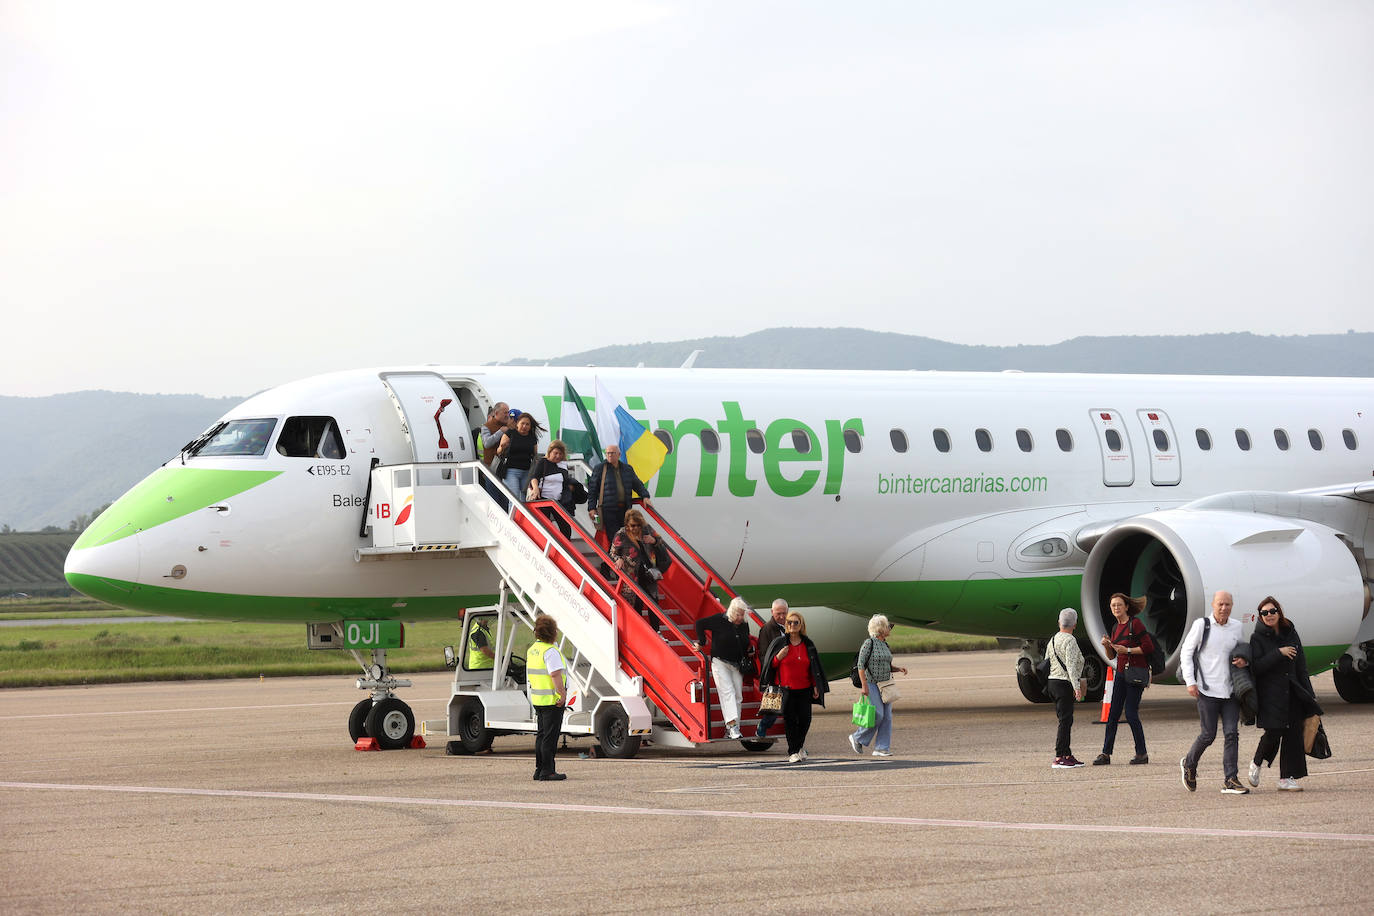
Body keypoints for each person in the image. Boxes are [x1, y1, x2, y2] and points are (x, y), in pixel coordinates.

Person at [1178, 590, 1250, 794]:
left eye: (1227, 604)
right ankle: (1190, 764)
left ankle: (1231, 778)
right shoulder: (1202, 625)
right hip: (1206, 690)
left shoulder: (1237, 627)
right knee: (1208, 735)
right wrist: (1190, 682)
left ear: (1232, 606)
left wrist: (1244, 661)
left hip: (1230, 692)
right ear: (1213, 605)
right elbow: (1187, 651)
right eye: (1220, 604)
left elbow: (1241, 650)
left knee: (1231, 734)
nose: (1224, 608)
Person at [1248, 597, 1321, 791]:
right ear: (1260, 617)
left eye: (1272, 611)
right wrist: (1278, 653)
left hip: (1293, 691)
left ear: (1279, 612)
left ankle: (1286, 778)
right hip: (1270, 694)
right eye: (1265, 613)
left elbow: (1301, 666)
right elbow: (1256, 667)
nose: (1269, 615)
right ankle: (1256, 763)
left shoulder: (1291, 632)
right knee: (1273, 732)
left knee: (1293, 734)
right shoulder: (1257, 638)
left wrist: (1309, 693)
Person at [759, 609, 828, 762]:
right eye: (789, 622)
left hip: (804, 689)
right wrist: (778, 657)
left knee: (805, 720)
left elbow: (813, 666)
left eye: (795, 622)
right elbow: (770, 665)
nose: (791, 625)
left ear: (801, 624)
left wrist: (816, 685)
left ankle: (799, 747)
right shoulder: (779, 642)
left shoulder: (808, 643)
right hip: (786, 690)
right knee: (790, 721)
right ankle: (793, 752)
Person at [1093, 593, 1152, 766]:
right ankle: (1106, 753)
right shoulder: (1115, 628)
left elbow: (1148, 647)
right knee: (1113, 714)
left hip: (1134, 673)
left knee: (1132, 713)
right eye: (1113, 606)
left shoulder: (1136, 624)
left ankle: (1142, 753)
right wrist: (1106, 646)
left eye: (1119, 605)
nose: (1116, 608)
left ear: (1126, 607)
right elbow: (1112, 656)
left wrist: (1127, 650)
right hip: (1120, 673)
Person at [692, 596, 753, 740]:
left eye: (742, 614)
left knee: (738, 695)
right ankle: (732, 727)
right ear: (731, 612)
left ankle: (731, 727)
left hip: (737, 663)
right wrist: (702, 641)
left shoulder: (744, 624)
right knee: (728, 692)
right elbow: (700, 623)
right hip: (720, 661)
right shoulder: (720, 619)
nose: (740, 617)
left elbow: (745, 640)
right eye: (738, 614)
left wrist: (749, 650)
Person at [849, 614, 908, 757]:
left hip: (886, 684)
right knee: (878, 714)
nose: (890, 628)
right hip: (872, 683)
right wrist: (864, 685)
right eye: (888, 626)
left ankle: (882, 748)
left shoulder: (885, 644)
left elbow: (886, 664)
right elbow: (860, 665)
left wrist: (897, 668)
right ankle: (857, 737)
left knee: (887, 717)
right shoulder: (869, 643)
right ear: (880, 629)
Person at [526, 614, 569, 781]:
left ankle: (539, 769)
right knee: (550, 738)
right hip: (552, 700)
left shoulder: (533, 650)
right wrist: (562, 694)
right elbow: (555, 675)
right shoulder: (550, 651)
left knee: (542, 735)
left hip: (538, 699)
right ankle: (548, 771)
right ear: (553, 633)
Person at [1046, 608, 1087, 768]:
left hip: (1053, 682)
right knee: (1065, 721)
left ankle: (1067, 753)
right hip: (1064, 683)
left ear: (1059, 622)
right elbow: (1071, 665)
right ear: (1075, 624)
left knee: (1066, 719)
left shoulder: (1053, 639)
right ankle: (1059, 756)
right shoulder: (1070, 640)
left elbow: (1047, 660)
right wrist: (1077, 687)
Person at [609, 508, 671, 611]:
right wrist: (618, 559)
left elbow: (660, 540)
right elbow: (612, 552)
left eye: (639, 525)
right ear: (627, 524)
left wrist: (653, 540)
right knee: (637, 605)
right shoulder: (622, 534)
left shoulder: (646, 529)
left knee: (654, 605)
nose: (636, 528)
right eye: (633, 525)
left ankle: (655, 628)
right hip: (632, 575)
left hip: (649, 573)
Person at [587, 444, 651, 541]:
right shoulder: (600, 468)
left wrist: (645, 496)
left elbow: (637, 484)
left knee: (627, 535)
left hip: (625, 509)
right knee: (614, 537)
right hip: (608, 510)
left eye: (612, 453)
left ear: (619, 454)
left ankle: (623, 555)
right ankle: (614, 556)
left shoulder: (627, 469)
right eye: (607, 453)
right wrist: (591, 508)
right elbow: (592, 489)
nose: (609, 455)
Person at [753, 598, 789, 738]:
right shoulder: (767, 629)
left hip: (790, 674)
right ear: (772, 612)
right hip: (776, 673)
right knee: (774, 706)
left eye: (784, 613)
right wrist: (773, 665)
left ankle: (796, 744)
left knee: (791, 709)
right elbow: (763, 654)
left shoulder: (791, 626)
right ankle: (763, 725)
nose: (781, 616)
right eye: (778, 613)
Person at [527, 439, 574, 536]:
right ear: (550, 452)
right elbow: (534, 477)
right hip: (544, 499)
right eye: (555, 453)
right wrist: (535, 488)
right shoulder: (543, 462)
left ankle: (564, 547)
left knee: (565, 526)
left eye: (560, 454)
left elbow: (565, 481)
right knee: (546, 526)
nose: (558, 456)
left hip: (558, 500)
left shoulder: (563, 465)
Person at [496, 412, 540, 501]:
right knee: (514, 498)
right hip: (511, 471)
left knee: (524, 499)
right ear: (517, 424)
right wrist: (502, 447)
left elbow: (535, 456)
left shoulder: (532, 437)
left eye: (527, 424)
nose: (524, 426)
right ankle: (514, 515)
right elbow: (499, 452)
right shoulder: (510, 433)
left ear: (530, 426)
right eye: (522, 423)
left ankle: (522, 515)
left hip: (526, 472)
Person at [477, 402, 511, 508]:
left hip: (506, 469)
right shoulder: (486, 427)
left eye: (508, 412)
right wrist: (500, 432)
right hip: (492, 469)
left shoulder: (510, 426)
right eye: (505, 412)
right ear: (496, 413)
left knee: (506, 501)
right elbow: (487, 443)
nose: (507, 415)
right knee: (494, 500)